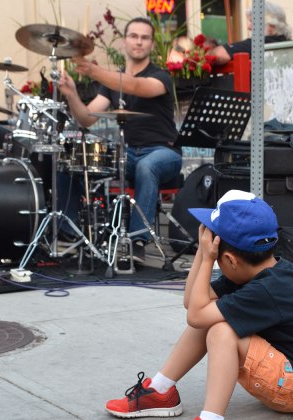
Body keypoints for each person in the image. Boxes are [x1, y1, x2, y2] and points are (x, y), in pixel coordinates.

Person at [105, 189, 293, 420]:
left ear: (230, 261)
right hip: (284, 367)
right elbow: (193, 304)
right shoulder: (254, 271)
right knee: (211, 317)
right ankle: (161, 390)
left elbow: (196, 314)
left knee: (220, 329)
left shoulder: (270, 288)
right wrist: (205, 255)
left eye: (214, 251)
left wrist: (205, 258)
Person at [58, 17, 182, 263]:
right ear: (124, 41)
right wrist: (71, 93)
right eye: (134, 36)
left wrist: (94, 71)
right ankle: (72, 233)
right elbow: (86, 118)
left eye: (144, 37)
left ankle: (136, 240)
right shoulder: (111, 84)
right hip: (129, 153)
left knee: (148, 166)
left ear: (151, 44)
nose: (139, 41)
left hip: (164, 153)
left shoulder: (161, 76)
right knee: (73, 162)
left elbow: (136, 86)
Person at [210, 1, 292, 66]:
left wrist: (208, 51)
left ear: (271, 26)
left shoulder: (258, 44)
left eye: (253, 21)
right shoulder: (290, 45)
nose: (249, 27)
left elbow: (218, 55)